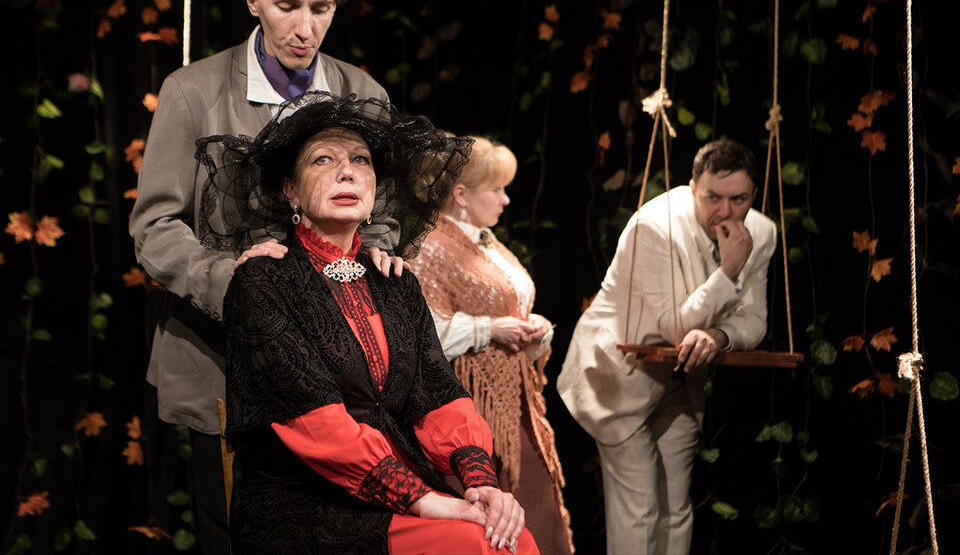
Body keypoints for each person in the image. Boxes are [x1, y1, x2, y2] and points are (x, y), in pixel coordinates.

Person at [128, 0, 395, 552]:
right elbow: (156, 227)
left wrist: (377, 251)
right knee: (237, 533)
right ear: (253, 1)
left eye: (320, 8)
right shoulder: (193, 92)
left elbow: (385, 211)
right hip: (225, 362)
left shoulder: (363, 95)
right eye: (287, 5)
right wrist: (235, 279)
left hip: (337, 365)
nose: (304, 27)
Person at [196, 91, 539, 554]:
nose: (347, 172)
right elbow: (314, 422)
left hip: (400, 485)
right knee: (476, 545)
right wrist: (427, 501)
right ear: (291, 190)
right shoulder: (264, 280)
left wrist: (480, 483)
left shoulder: (394, 281)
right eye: (323, 159)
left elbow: (436, 392)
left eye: (360, 160)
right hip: (309, 503)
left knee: (510, 538)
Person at [557, 140, 777, 555]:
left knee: (675, 506)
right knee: (640, 506)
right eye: (713, 197)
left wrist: (719, 336)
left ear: (754, 194)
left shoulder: (761, 232)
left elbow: (755, 319)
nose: (726, 211)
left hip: (681, 375)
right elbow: (674, 327)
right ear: (692, 188)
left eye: (738, 199)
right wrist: (729, 270)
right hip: (618, 373)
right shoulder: (654, 226)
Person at [407, 137, 575, 555]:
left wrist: (534, 328)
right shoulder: (429, 247)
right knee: (495, 519)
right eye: (496, 189)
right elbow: (420, 333)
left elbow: (514, 306)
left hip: (514, 402)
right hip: (468, 405)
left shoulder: (488, 243)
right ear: (461, 195)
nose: (505, 199)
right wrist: (487, 329)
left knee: (538, 507)